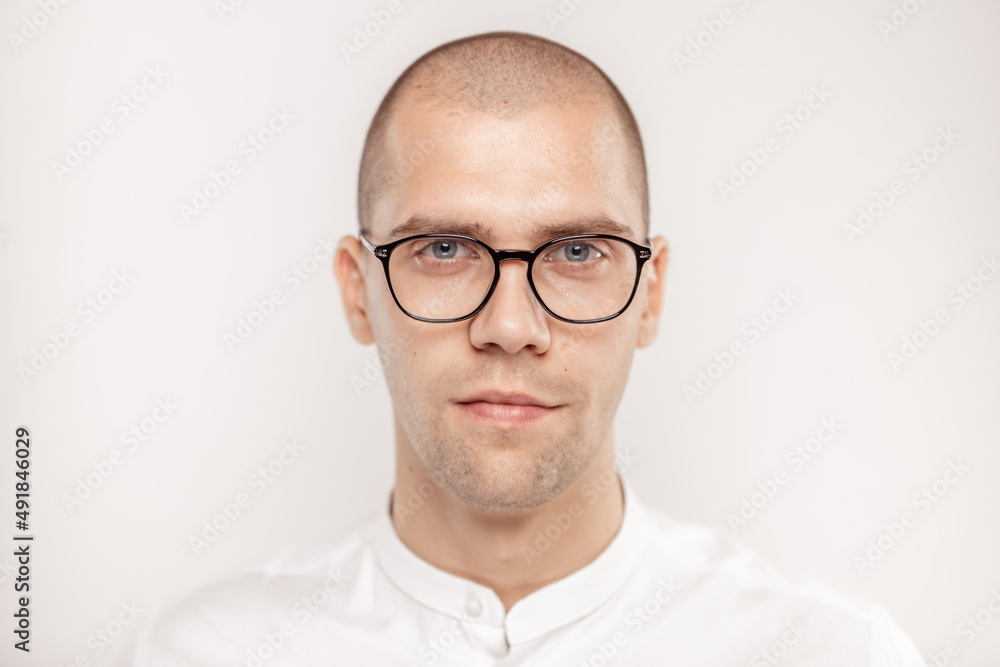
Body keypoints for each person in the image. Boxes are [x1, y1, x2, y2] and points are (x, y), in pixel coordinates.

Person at [135, 31, 924, 666]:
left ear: (649, 295)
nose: (510, 325)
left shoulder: (834, 652)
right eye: (444, 249)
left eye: (578, 253)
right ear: (357, 291)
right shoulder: (206, 652)